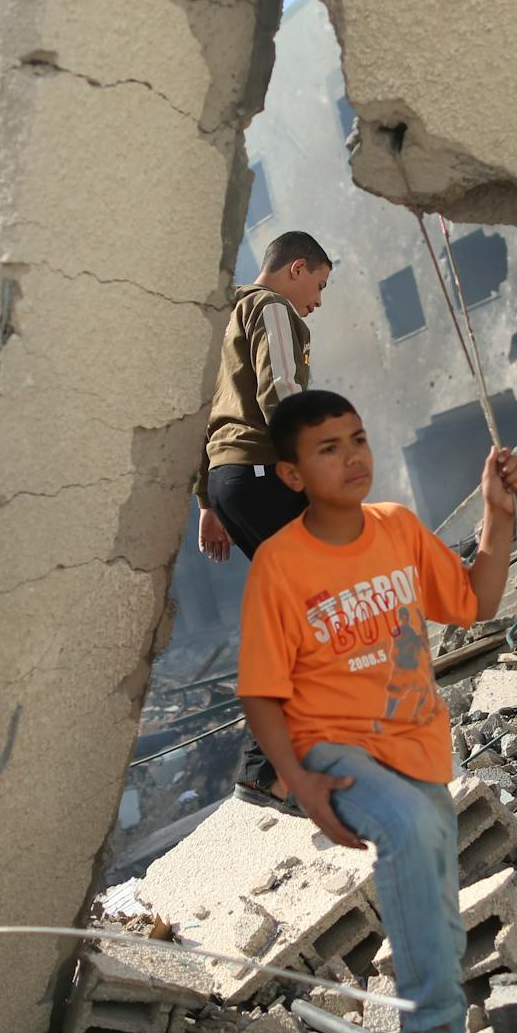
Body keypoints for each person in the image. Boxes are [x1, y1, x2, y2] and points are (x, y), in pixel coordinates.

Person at [236, 389, 517, 1033]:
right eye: (327, 447)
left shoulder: (396, 528)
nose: (352, 455)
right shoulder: (279, 565)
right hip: (331, 745)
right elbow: (263, 695)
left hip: (417, 743)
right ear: (293, 475)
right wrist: (299, 781)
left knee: (438, 905)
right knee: (406, 829)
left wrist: (499, 512)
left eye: (357, 438)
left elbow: (477, 601)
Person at [192, 229, 333, 805]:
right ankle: (266, 768)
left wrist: (207, 502)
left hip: (231, 481)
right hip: (261, 470)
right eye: (319, 285)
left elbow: (204, 414)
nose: (317, 302)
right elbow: (284, 389)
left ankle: (275, 764)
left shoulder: (223, 321)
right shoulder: (272, 307)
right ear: (296, 269)